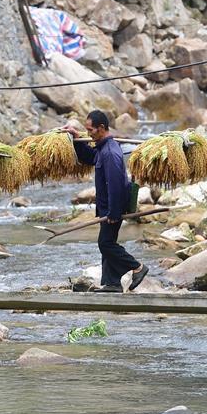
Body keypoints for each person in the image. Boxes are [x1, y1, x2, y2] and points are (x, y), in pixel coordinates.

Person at [63, 110, 149, 293]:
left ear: (101, 128)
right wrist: (76, 138)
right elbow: (89, 157)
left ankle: (138, 267)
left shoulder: (110, 153)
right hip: (108, 207)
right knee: (107, 242)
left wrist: (114, 212)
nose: (89, 133)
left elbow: (116, 184)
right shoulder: (103, 149)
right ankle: (112, 283)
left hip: (113, 207)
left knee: (106, 244)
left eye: (90, 129)